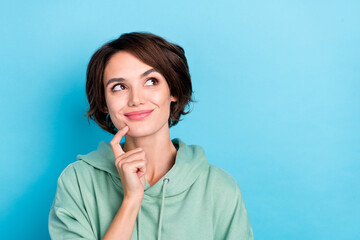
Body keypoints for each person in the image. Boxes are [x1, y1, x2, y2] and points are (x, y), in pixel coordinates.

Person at [48, 32, 254, 240]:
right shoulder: (78, 181)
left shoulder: (220, 188)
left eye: (151, 81)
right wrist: (131, 200)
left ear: (173, 91)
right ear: (104, 102)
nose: (136, 99)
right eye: (119, 87)